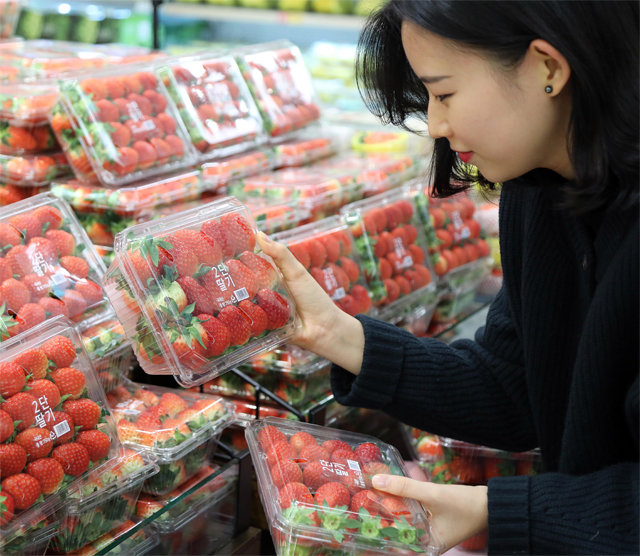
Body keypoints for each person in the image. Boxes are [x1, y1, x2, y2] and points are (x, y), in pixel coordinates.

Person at [258, 0, 639, 554]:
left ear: (547, 69)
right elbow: (519, 387)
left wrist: (495, 510)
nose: (435, 124)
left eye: (445, 92)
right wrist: (335, 335)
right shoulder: (540, 190)